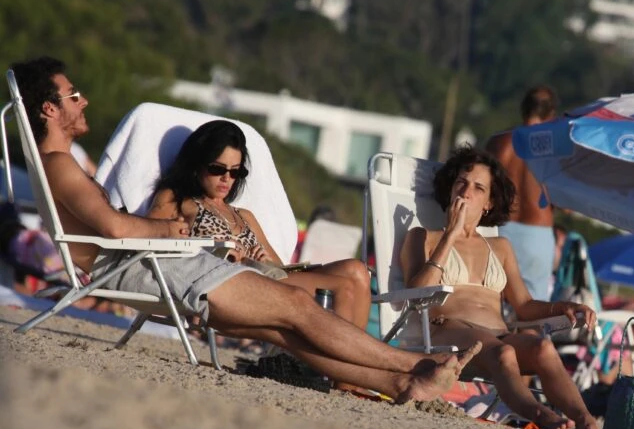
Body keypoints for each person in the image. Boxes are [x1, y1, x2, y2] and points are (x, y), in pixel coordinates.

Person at [11, 56, 479, 402]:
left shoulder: (61, 165)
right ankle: (418, 364)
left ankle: (400, 383)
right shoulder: (59, 164)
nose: (83, 100)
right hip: (143, 265)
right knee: (296, 306)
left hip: (152, 261)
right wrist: (171, 230)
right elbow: (114, 227)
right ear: (49, 109)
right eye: (73, 95)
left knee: (283, 329)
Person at [399, 146, 601, 429]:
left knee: (542, 348)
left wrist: (563, 307)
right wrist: (450, 235)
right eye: (461, 182)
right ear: (450, 188)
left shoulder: (500, 247)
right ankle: (538, 414)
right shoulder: (424, 237)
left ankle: (585, 419)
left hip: (497, 335)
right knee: (503, 352)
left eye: (478, 187)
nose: (466, 191)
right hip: (446, 333)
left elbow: (524, 305)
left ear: (489, 203)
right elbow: (415, 295)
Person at [147, 120, 371, 328]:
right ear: (197, 165)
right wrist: (213, 251)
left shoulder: (244, 215)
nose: (226, 178)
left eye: (235, 171)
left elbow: (280, 267)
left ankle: (352, 354)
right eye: (217, 169)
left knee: (357, 270)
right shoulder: (177, 200)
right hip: (229, 284)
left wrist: (263, 260)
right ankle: (346, 356)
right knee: (344, 288)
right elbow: (148, 241)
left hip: (266, 277)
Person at [485, 86, 559, 300]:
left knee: (491, 298)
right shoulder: (553, 148)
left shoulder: (498, 142)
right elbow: (566, 204)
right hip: (537, 232)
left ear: (523, 108)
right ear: (551, 114)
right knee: (533, 306)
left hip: (499, 228)